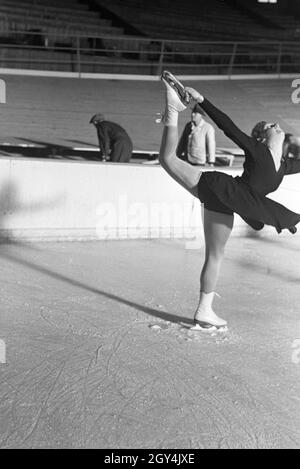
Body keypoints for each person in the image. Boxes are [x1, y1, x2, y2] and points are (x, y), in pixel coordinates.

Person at [159, 70, 300, 329]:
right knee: (168, 160)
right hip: (221, 188)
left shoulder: (283, 165)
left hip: (228, 203)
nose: (277, 126)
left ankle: (204, 310)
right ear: (262, 137)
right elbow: (227, 125)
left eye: (276, 125)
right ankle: (172, 105)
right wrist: (201, 100)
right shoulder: (256, 150)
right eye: (271, 126)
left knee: (216, 255)